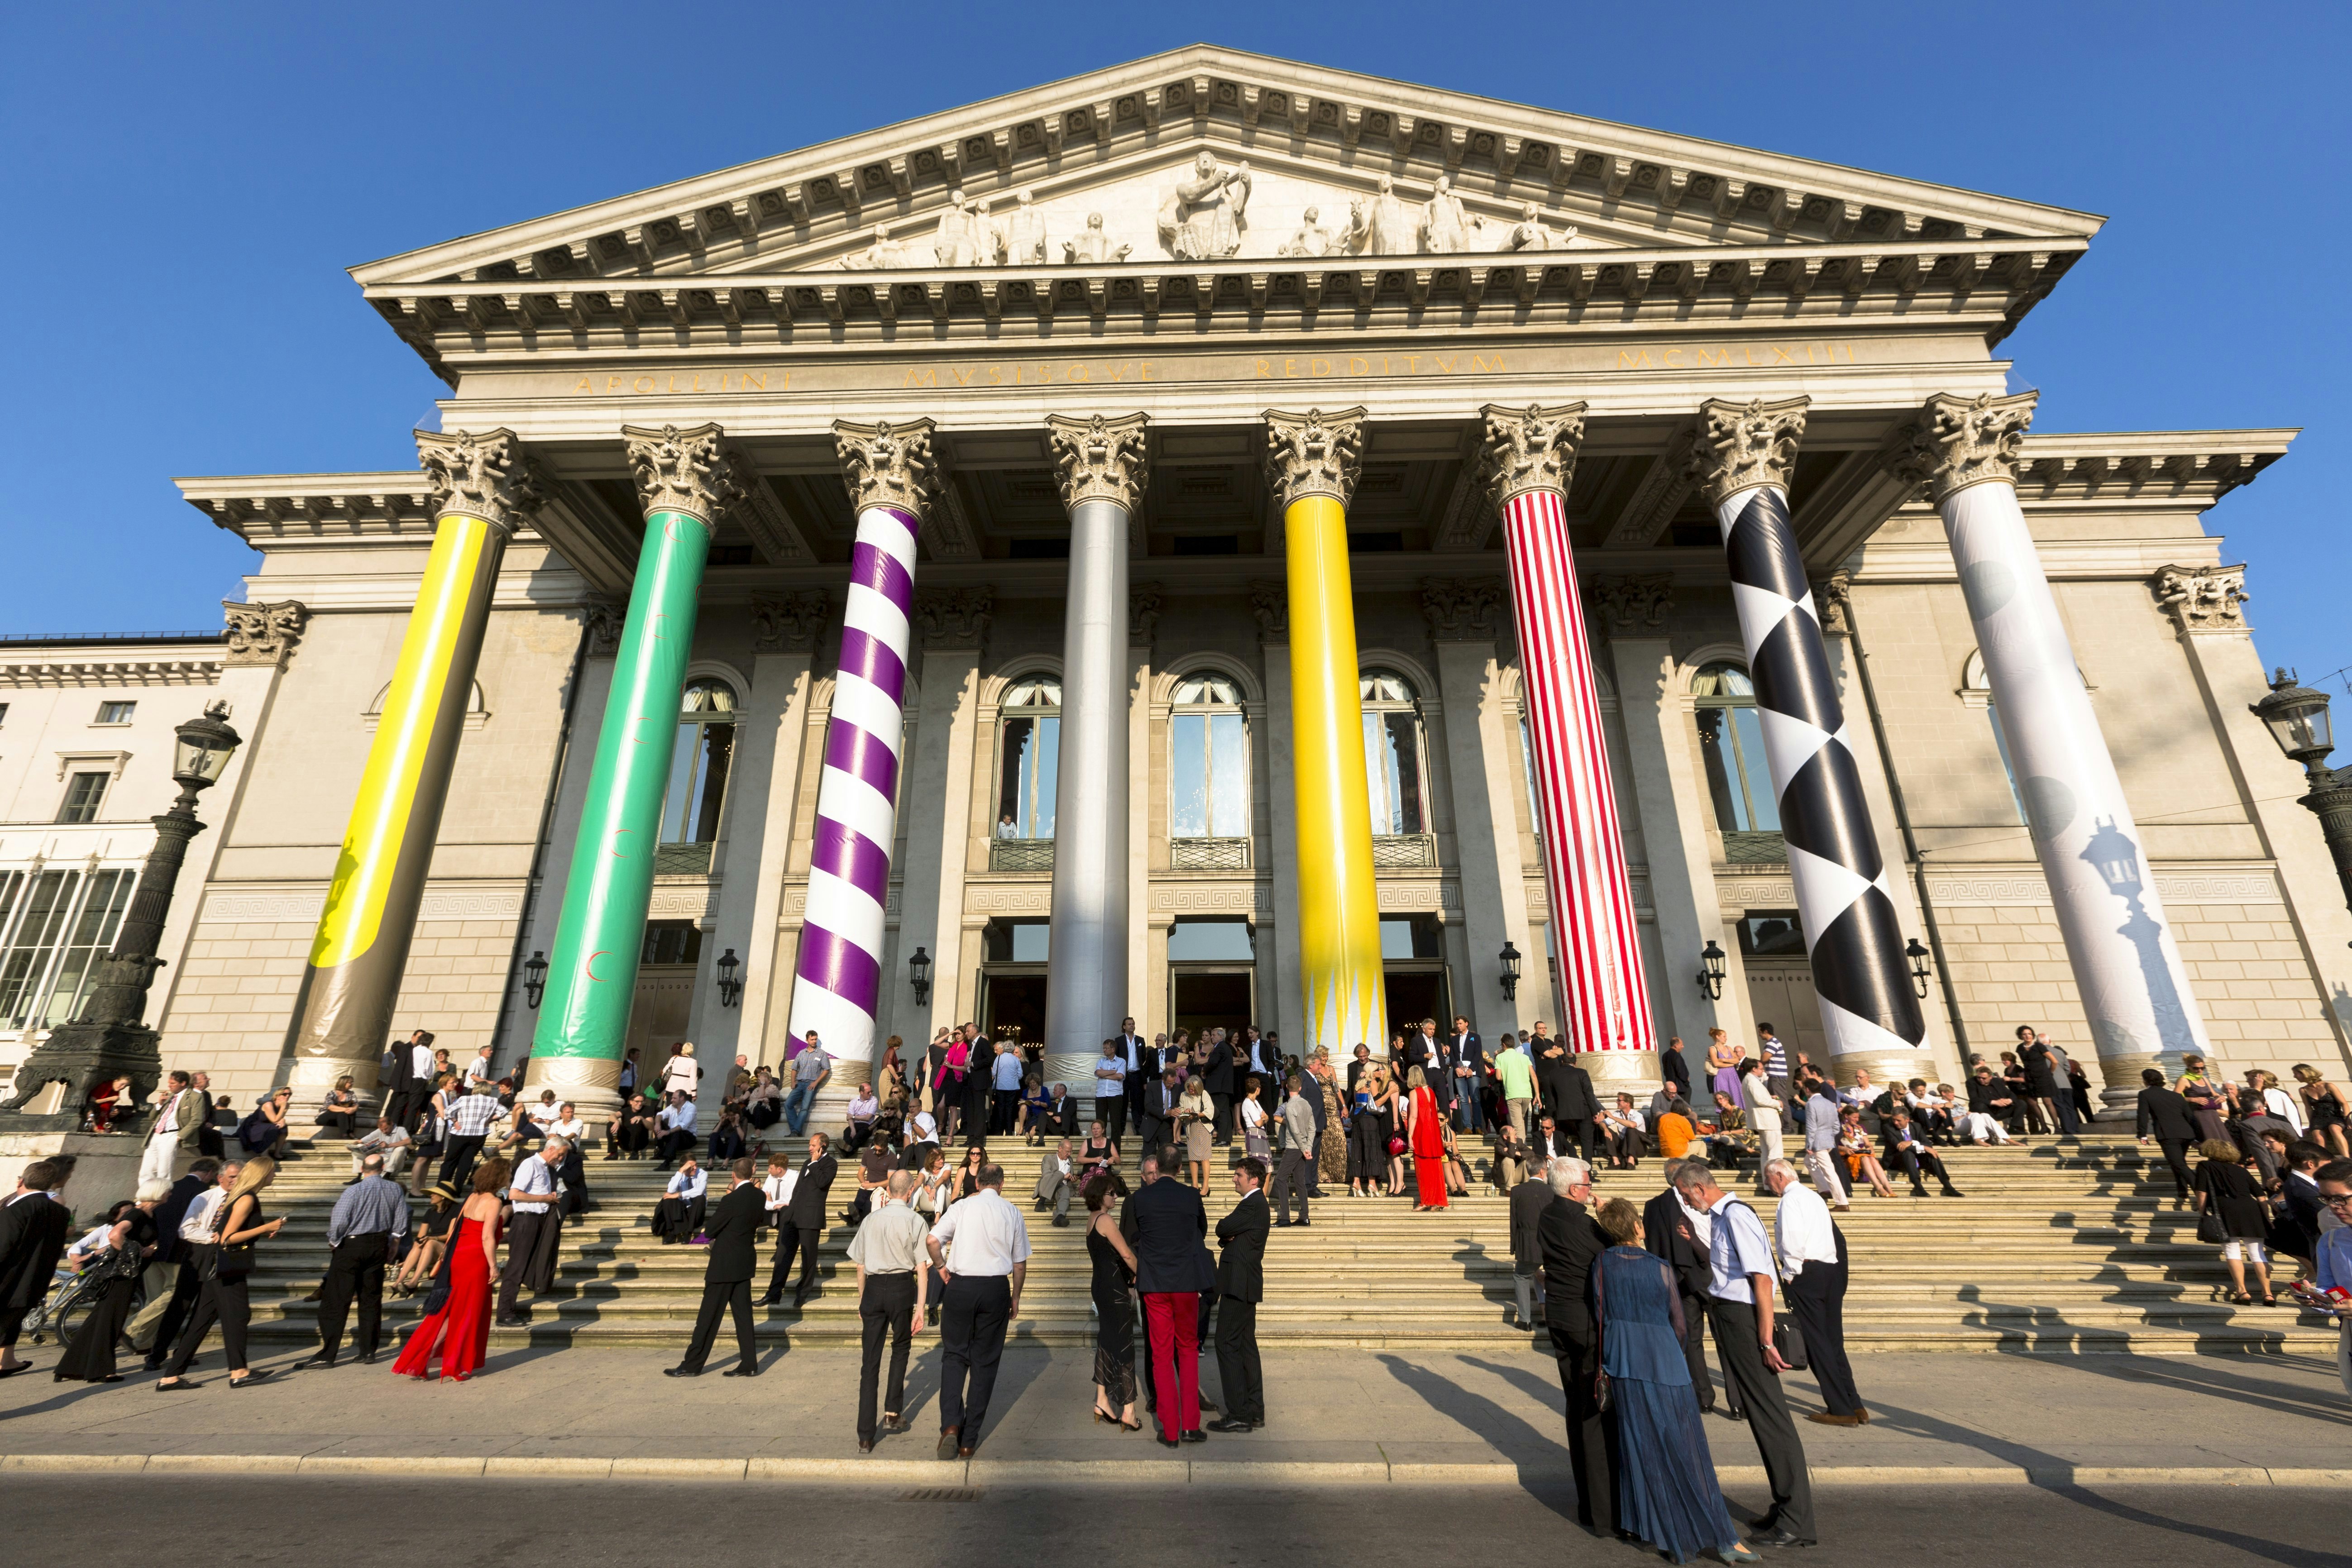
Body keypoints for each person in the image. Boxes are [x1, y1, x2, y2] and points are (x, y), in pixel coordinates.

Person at [1592, 1197, 1759, 1565]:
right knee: (1687, 1447)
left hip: (1623, 1361)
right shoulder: (1659, 1267)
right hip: (1664, 1360)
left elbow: (1601, 1312)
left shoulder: (1602, 1264)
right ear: (1637, 1225)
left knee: (1641, 1446)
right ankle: (1722, 1536)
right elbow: (1680, 1325)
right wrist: (1671, 1349)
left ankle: (1663, 1530)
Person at [1668, 1163, 1816, 1546]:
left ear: (1699, 1188)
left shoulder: (1735, 1216)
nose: (1686, 1203)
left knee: (1770, 1416)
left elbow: (1762, 1280)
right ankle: (1785, 1505)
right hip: (1731, 1317)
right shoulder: (1722, 1217)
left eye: (1686, 1196)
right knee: (1760, 1415)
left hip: (1745, 1321)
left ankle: (1796, 1519)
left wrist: (1766, 1340)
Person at [926, 1161, 1030, 1459]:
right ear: (1001, 1185)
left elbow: (933, 1240)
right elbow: (1020, 1264)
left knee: (955, 1355)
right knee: (985, 1362)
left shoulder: (962, 1207)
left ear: (978, 1183)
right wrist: (1016, 1297)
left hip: (960, 1285)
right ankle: (969, 1440)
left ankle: (950, 1426)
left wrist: (942, 1269)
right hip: (995, 1286)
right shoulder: (1012, 1211)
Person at [158, 1156, 286, 1391]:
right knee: (238, 1316)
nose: (275, 1175)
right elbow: (227, 1238)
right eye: (272, 1171)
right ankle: (239, 1372)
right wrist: (267, 1227)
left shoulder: (241, 1196)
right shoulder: (247, 1198)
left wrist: (260, 1231)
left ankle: (170, 1377)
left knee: (200, 1322)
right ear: (262, 1174)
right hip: (227, 1268)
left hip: (219, 1267)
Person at [1538, 1157, 1614, 1534]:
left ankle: (1589, 1504)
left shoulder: (1548, 1214)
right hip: (1586, 1323)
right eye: (1587, 1184)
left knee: (1577, 1407)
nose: (1591, 1188)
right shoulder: (1583, 1223)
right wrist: (1606, 1214)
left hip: (1560, 1318)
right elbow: (1615, 1251)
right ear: (1573, 1189)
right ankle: (1604, 1512)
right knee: (1595, 1415)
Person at [1125, 1145, 1214, 1447]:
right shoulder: (1191, 1195)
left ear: (1158, 1167)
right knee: (1188, 1351)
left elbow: (1136, 1235)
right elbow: (1201, 1230)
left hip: (1155, 1283)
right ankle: (1190, 1425)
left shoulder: (1140, 1198)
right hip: (1186, 1282)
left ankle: (1171, 1429)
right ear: (1179, 1169)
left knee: (1161, 1355)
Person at [1762, 1158, 1862, 1426]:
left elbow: (1792, 1240)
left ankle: (1841, 1408)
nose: (1767, 1185)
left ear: (1780, 1176)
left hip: (1807, 1273)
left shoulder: (1790, 1201)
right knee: (1832, 1340)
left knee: (1817, 1343)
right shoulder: (1815, 1197)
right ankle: (1854, 1403)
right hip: (1829, 1270)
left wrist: (1789, 1274)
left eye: (1768, 1179)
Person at [292, 1152, 409, 1370]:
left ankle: (327, 1355)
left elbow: (340, 1220)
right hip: (379, 1243)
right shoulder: (394, 1189)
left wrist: (334, 1241)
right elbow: (401, 1220)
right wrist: (394, 1243)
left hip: (353, 1244)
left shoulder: (354, 1190)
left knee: (336, 1300)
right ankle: (367, 1351)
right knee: (371, 1299)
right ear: (383, 1167)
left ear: (362, 1169)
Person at [392, 1158, 505, 1382]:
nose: (509, 1178)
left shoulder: (472, 1197)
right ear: (500, 1178)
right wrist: (494, 1265)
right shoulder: (494, 1202)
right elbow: (487, 1236)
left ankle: (426, 1358)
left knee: (449, 1312)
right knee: (467, 1314)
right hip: (475, 1260)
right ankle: (451, 1365)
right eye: (507, 1175)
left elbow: (456, 1229)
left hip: (459, 1257)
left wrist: (445, 1257)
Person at [846, 1170, 930, 1449]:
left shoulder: (871, 1219)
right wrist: (921, 1307)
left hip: (873, 1287)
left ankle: (865, 1436)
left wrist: (863, 1298)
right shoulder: (916, 1220)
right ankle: (893, 1412)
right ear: (909, 1193)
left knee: (869, 1362)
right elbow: (922, 1267)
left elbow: (860, 1264)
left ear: (890, 1190)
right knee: (901, 1348)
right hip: (901, 1286)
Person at [53, 1182, 162, 1383]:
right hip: (121, 1275)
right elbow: (115, 1235)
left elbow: (152, 1241)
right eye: (168, 1191)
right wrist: (132, 1255)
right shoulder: (136, 1214)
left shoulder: (150, 1215)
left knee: (99, 1320)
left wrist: (152, 1248)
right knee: (111, 1321)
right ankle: (102, 1370)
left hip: (128, 1274)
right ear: (160, 1193)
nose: (171, 1194)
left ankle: (71, 1367)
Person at [665, 1157, 763, 1379]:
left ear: (733, 1175)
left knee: (708, 1317)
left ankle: (692, 1365)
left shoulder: (731, 1200)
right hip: (745, 1261)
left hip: (724, 1265)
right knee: (744, 1317)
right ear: (751, 1174)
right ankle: (749, 1363)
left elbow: (710, 1230)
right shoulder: (759, 1196)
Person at [1642, 1158, 1722, 1415]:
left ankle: (1709, 1398)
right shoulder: (1657, 1206)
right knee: (1705, 1341)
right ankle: (1719, 1399)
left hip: (1687, 1280)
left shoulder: (1655, 1205)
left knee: (1698, 1341)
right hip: (1697, 1280)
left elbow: (1653, 1248)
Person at [1205, 1155, 1271, 1434]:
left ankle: (1239, 1413)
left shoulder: (1253, 1203)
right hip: (1243, 1282)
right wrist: (1227, 1235)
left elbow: (1222, 1227)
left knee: (1225, 1343)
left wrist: (1226, 1233)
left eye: (1239, 1174)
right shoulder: (1254, 1205)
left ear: (1254, 1180)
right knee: (1245, 1345)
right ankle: (1254, 1410)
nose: (1234, 1178)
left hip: (1238, 1283)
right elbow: (1227, 1234)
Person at [0, 1159, 75, 1376]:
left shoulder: (17, 1210)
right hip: (34, 1280)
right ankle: (6, 1361)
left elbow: (3, 1247)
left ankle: (6, 1361)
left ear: (21, 1181)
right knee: (11, 1320)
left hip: (7, 1278)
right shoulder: (61, 1212)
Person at [1079, 1172, 1142, 1431]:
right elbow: (1126, 1255)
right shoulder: (1105, 1219)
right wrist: (1140, 1275)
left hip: (1100, 1286)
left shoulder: (1091, 1220)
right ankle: (1128, 1411)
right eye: (1111, 1194)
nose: (1116, 1197)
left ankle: (1102, 1400)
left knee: (1106, 1340)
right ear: (1100, 1196)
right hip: (1114, 1288)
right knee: (1124, 1344)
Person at [494, 1136, 566, 1327]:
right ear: (551, 1148)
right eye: (560, 1155)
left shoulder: (546, 1168)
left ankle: (511, 1308)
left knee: (527, 1265)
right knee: (516, 1267)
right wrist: (543, 1198)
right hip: (525, 1220)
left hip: (538, 1220)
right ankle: (504, 1313)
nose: (560, 1159)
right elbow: (514, 1194)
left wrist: (548, 1198)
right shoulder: (530, 1164)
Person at [2194, 1139, 2274, 1305]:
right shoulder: (2241, 1170)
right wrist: (2266, 1217)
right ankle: (2268, 1294)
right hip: (2251, 1210)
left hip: (2225, 1209)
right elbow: (2261, 1196)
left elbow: (2201, 1191)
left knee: (2232, 1252)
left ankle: (2242, 1291)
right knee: (2258, 1253)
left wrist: (2203, 1212)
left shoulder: (2205, 1166)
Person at [777, 1132, 837, 1307]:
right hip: (794, 1215)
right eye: (810, 1145)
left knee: (808, 1259)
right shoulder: (807, 1162)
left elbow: (822, 1183)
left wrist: (816, 1163)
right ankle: (774, 1292)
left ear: (823, 1146)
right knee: (783, 1255)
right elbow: (798, 1189)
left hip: (811, 1218)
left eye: (813, 1145)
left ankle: (802, 1294)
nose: (809, 1148)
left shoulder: (831, 1164)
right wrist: (789, 1211)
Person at [1508, 1152, 1554, 1331]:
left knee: (1521, 1276)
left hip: (1527, 1242)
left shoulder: (1518, 1191)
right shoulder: (1551, 1191)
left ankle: (1525, 1320)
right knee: (1544, 1276)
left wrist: (1514, 1247)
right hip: (1548, 1243)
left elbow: (1514, 1221)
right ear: (1543, 1171)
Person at [141, 1071, 208, 1188]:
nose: (169, 1086)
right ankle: (144, 1196)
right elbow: (152, 1117)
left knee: (164, 1171)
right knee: (146, 1171)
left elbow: (197, 1120)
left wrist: (179, 1137)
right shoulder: (170, 1096)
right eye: (169, 1083)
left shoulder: (195, 1097)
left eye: (173, 1083)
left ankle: (161, 1196)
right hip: (156, 1134)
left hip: (172, 1135)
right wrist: (160, 1104)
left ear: (183, 1083)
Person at [394, 1182, 460, 1296]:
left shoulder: (456, 1210)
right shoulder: (430, 1212)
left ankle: (414, 1281)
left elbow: (450, 1235)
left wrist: (433, 1238)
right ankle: (398, 1282)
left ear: (443, 1196)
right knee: (419, 1243)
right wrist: (411, 1258)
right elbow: (420, 1237)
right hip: (432, 1250)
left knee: (430, 1243)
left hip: (448, 1250)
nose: (431, 1196)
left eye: (434, 1194)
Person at [437, 1077, 502, 1189]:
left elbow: (448, 1111)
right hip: (479, 1135)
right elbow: (503, 1112)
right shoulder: (493, 1101)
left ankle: (442, 1188)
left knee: (450, 1161)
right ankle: (457, 1190)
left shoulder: (465, 1099)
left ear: (476, 1089)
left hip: (461, 1133)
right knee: (466, 1162)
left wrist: (455, 1121)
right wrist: (490, 1120)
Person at [1268, 1074, 1315, 1227]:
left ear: (1287, 1087)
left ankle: (1285, 1218)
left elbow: (1294, 1130)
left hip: (1294, 1147)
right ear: (1300, 1088)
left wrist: (1304, 1149)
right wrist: (1308, 1147)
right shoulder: (1306, 1104)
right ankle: (1304, 1216)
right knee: (1300, 1182)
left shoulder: (1290, 1106)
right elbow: (1312, 1128)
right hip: (1301, 1148)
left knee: (1281, 1179)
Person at [1882, 1110, 1964, 1197]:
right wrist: (1923, 1147)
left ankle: (1948, 1187)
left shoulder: (1916, 1126)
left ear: (1907, 1120)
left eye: (1899, 1120)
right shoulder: (1888, 1128)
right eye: (1894, 1120)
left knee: (1932, 1154)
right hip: (1897, 1160)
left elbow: (1927, 1143)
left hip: (1917, 1159)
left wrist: (1911, 1142)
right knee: (1908, 1152)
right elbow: (1899, 1146)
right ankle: (1918, 1186)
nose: (1895, 1123)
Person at [1403, 1066, 1448, 1211]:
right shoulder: (1431, 1092)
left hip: (1422, 1133)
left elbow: (1414, 1116)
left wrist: (1410, 1136)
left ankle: (1425, 1201)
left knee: (1423, 1169)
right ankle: (1438, 1201)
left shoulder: (1414, 1093)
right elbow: (1434, 1113)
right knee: (1435, 1169)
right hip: (1433, 1133)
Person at [1800, 1081, 1849, 1210]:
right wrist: (1829, 1137)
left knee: (1829, 1172)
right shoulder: (1829, 1103)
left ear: (1807, 1089)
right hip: (1828, 1141)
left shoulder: (1811, 1104)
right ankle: (1825, 1189)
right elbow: (1836, 1126)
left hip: (1818, 1142)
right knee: (1809, 1162)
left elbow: (1811, 1126)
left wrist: (1809, 1145)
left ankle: (1842, 1202)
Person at [1740, 1061, 1783, 1191]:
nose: (1763, 1071)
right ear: (1754, 1069)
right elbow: (1760, 1100)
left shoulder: (1749, 1080)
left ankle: (1768, 1185)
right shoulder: (1751, 1080)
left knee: (1766, 1154)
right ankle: (1774, 1185)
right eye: (1761, 1069)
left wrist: (1769, 1097)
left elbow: (1759, 1098)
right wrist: (1777, 1103)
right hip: (1768, 1121)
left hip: (1762, 1120)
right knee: (1775, 1154)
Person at [2293, 1065, 2349, 1159]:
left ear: (2305, 1073)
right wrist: (2311, 1124)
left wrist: (2348, 1119)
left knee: (2334, 1129)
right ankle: (2323, 1161)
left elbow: (2344, 1103)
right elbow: (2308, 1108)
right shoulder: (2303, 1090)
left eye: (2296, 1074)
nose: (2295, 1077)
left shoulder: (2328, 1086)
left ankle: (2347, 1158)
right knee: (2318, 1137)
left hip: (2335, 1115)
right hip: (2318, 1117)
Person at [1493, 1033, 1537, 1143]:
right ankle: (1523, 1146)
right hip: (1527, 1093)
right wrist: (1537, 1095)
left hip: (1513, 1094)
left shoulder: (1500, 1057)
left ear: (1503, 1045)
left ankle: (1523, 1150)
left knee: (1517, 1124)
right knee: (1520, 1121)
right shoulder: (1524, 1057)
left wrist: (1509, 1076)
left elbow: (1498, 1077)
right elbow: (1533, 1075)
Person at [654, 1156, 709, 1243]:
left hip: (697, 1212)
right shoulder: (679, 1176)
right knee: (668, 1200)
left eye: (696, 1165)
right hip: (683, 1212)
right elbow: (671, 1190)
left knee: (700, 1198)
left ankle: (688, 1232)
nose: (695, 1168)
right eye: (691, 1167)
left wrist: (679, 1194)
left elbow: (700, 1190)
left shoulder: (702, 1173)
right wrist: (680, 1172)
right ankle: (672, 1233)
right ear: (684, 1168)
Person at [348, 1115, 412, 1181]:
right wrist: (353, 1146)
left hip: (395, 1163)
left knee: (401, 1149)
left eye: (386, 1129)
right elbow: (361, 1141)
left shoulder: (400, 1130)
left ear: (392, 1124)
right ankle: (360, 1176)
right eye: (382, 1130)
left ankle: (388, 1174)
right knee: (358, 1147)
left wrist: (389, 1145)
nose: (384, 1132)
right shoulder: (379, 1131)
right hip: (381, 1162)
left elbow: (408, 1141)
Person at [1177, 1074, 1214, 1188]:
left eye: (1193, 1089)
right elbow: (1181, 1112)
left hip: (1203, 1127)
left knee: (1204, 1157)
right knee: (1192, 1157)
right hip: (1190, 1129)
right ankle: (1195, 1185)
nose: (1191, 1091)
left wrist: (1197, 1114)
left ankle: (1206, 1186)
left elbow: (1210, 1111)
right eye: (1190, 1089)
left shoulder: (1204, 1094)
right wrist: (1186, 1112)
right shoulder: (1183, 1095)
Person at [237, 1086, 292, 1160]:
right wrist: (283, 1108)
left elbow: (280, 1119)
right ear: (277, 1096)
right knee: (274, 1127)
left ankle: (277, 1153)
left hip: (266, 1125)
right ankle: (264, 1153)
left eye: (290, 1094)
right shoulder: (268, 1105)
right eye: (285, 1094)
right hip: (254, 1126)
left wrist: (283, 1120)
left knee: (283, 1128)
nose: (288, 1096)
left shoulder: (286, 1105)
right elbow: (275, 1120)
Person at [1600, 1093, 1647, 1171]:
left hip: (1639, 1147)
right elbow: (1602, 1123)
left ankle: (1631, 1161)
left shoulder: (1638, 1115)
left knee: (1631, 1130)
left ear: (1627, 1103)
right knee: (1608, 1131)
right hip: (1624, 1145)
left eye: (1619, 1100)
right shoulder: (1618, 1114)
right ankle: (1616, 1162)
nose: (1617, 1102)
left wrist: (1612, 1117)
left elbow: (1632, 1125)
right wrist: (1606, 1129)